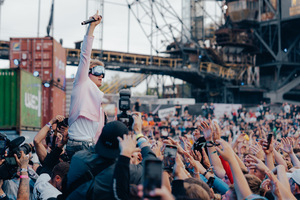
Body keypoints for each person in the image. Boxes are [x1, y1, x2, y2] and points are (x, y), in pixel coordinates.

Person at [67, 11, 105, 159]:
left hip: (89, 145)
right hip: (80, 144)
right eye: (97, 70)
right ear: (88, 72)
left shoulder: (97, 102)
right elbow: (85, 54)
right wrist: (92, 28)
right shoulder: (82, 82)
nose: (101, 75)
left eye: (103, 72)